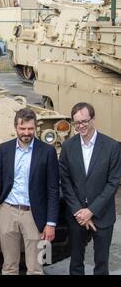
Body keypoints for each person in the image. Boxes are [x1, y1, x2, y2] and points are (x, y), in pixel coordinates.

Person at [0, 107, 60, 275]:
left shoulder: (48, 152)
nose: (26, 132)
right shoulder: (4, 149)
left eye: (30, 128)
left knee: (35, 267)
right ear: (15, 127)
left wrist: (51, 223)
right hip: (7, 211)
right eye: (22, 128)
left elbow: (53, 190)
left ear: (35, 127)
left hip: (34, 215)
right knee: (9, 266)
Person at [59, 102, 121, 275]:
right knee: (76, 263)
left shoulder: (112, 147)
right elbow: (65, 181)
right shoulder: (68, 147)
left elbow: (113, 183)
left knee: (101, 265)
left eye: (84, 121)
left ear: (93, 119)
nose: (81, 126)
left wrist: (91, 211)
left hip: (102, 216)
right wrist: (80, 211)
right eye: (77, 123)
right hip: (76, 216)